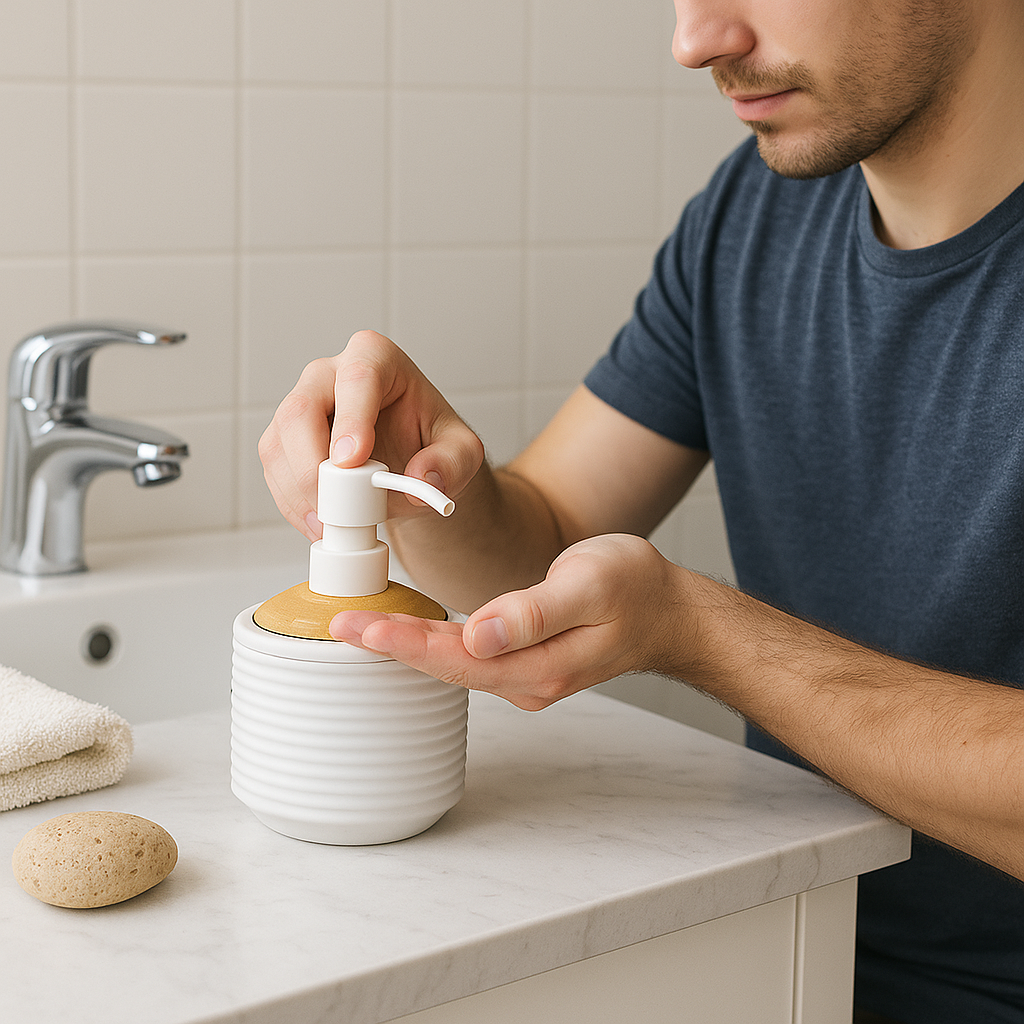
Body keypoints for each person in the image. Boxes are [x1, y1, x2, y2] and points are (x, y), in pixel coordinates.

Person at [259, 1, 1024, 1021]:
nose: (696, 40)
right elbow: (547, 548)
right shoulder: (752, 216)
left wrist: (703, 635)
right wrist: (423, 484)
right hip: (778, 939)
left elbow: (675, 622)